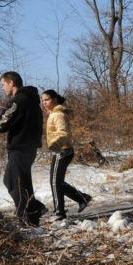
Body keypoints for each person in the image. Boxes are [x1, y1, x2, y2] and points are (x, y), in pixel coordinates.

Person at [0, 71, 47, 226]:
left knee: (15, 183)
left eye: (3, 84)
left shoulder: (19, 101)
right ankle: (33, 212)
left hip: (20, 147)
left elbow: (3, 124)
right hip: (28, 147)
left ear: (11, 83)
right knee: (17, 182)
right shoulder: (31, 100)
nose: (2, 88)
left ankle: (27, 218)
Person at [40, 89, 92, 221]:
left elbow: (63, 133)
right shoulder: (54, 113)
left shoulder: (58, 115)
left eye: (46, 100)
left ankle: (59, 213)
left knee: (55, 182)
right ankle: (82, 199)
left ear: (55, 99)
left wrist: (55, 146)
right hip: (62, 151)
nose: (44, 102)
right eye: (42, 100)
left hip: (62, 151)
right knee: (57, 182)